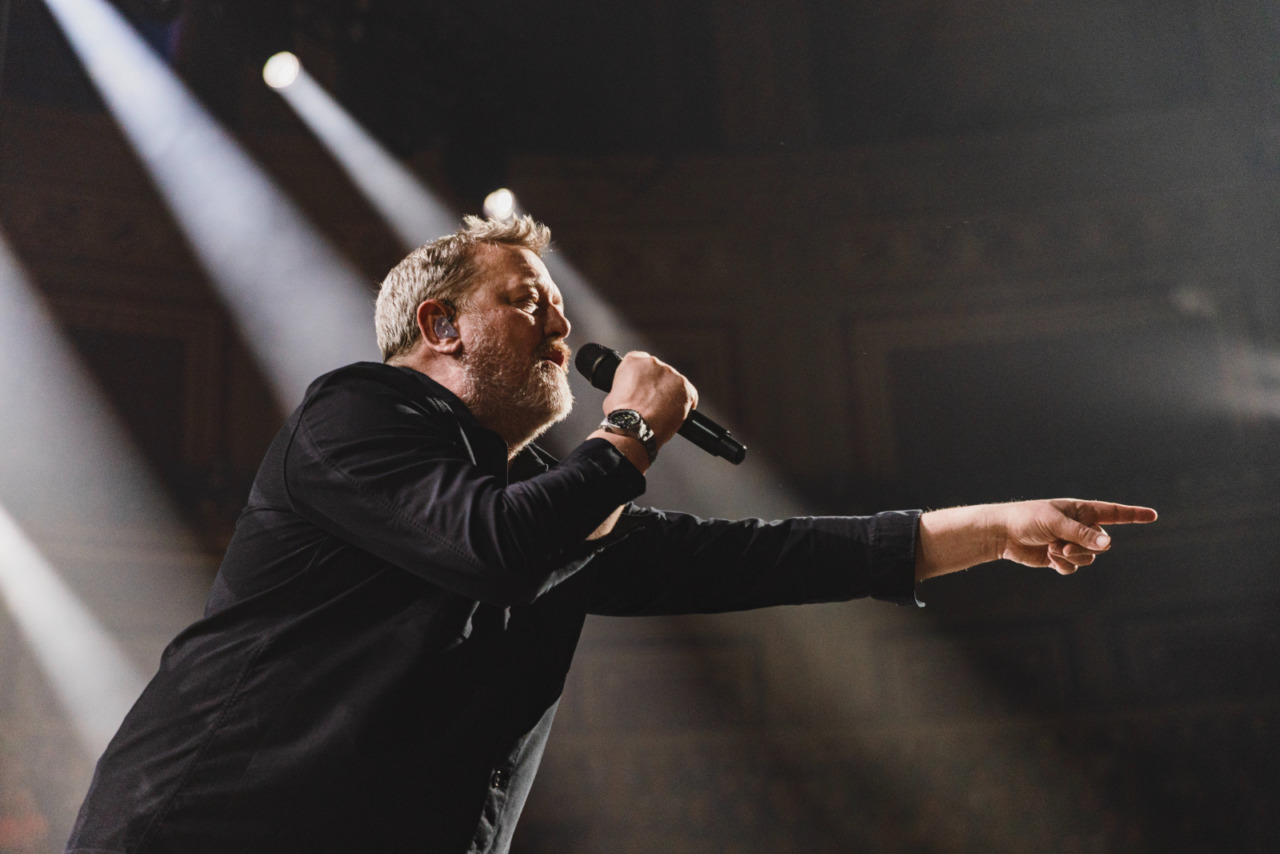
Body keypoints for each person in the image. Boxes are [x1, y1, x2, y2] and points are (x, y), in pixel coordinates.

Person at [66, 216, 1156, 854]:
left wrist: (986, 526)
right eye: (526, 299)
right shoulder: (358, 415)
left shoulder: (547, 501)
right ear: (439, 326)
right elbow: (489, 542)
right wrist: (629, 430)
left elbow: (741, 555)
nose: (562, 325)